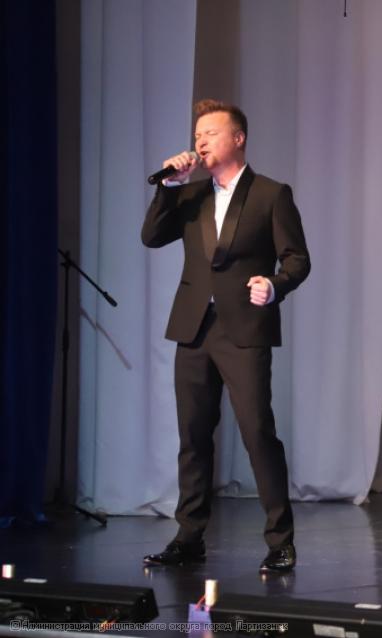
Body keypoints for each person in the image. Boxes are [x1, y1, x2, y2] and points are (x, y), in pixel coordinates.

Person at [141, 99, 310, 573]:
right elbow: (151, 237)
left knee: (258, 433)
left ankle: (281, 541)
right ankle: (189, 538)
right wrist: (168, 188)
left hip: (244, 329)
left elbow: (297, 259)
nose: (200, 142)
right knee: (193, 436)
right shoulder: (190, 194)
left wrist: (274, 285)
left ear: (238, 138)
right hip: (194, 327)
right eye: (197, 135)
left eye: (210, 133)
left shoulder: (271, 194)